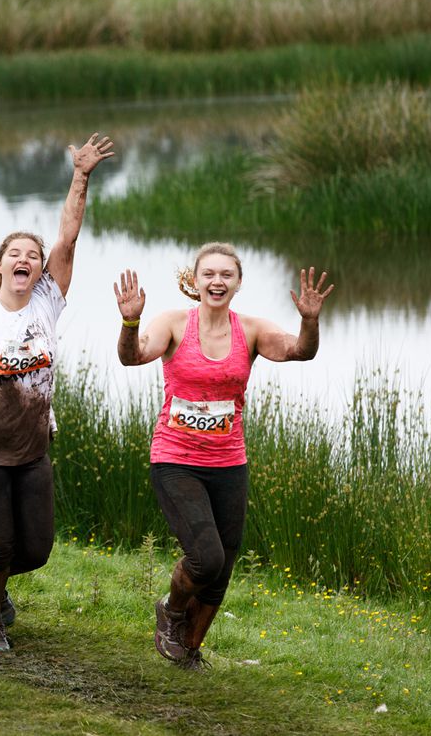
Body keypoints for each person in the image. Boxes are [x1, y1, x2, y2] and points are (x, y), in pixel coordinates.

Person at [0, 134, 115, 652]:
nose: (26, 259)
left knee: (33, 551)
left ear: (39, 271)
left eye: (32, 256)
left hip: (31, 451)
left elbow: (69, 238)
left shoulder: (46, 304)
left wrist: (80, 175)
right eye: (15, 253)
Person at [112, 246, 334, 670]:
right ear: (194, 280)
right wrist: (130, 320)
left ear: (237, 282)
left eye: (226, 274)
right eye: (209, 273)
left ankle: (189, 650)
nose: (217, 281)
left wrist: (309, 320)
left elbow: (300, 351)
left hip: (229, 462)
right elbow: (131, 356)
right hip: (175, 458)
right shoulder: (174, 324)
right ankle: (172, 611)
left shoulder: (249, 330)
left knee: (223, 568)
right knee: (205, 558)